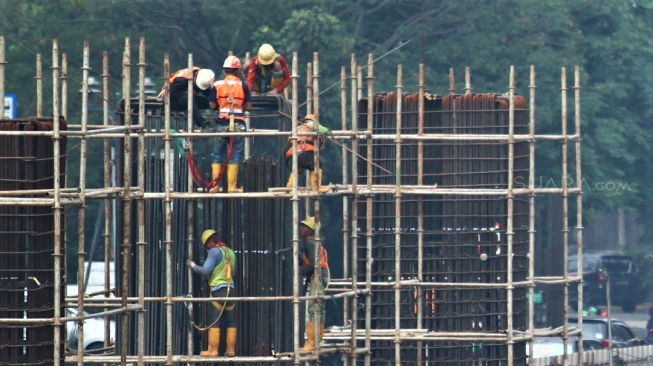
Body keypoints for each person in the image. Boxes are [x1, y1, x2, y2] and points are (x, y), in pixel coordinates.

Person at [187, 229, 237, 357]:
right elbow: (233, 273)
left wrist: (192, 265)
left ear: (209, 243)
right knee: (231, 321)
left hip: (218, 291)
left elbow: (205, 270)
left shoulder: (214, 251)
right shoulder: (230, 252)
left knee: (214, 320)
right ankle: (230, 350)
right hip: (231, 290)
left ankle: (213, 350)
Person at [208, 56, 252, 193]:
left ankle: (215, 186)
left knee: (217, 154)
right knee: (235, 154)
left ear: (225, 70)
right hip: (238, 122)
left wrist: (221, 107)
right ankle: (232, 187)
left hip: (222, 122)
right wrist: (240, 107)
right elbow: (249, 106)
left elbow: (211, 105)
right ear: (237, 71)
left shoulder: (217, 84)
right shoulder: (243, 85)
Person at [298, 216, 329, 352]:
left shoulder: (310, 243)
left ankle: (311, 343)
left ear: (309, 230)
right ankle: (317, 340)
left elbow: (313, 265)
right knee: (319, 309)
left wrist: (299, 270)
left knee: (313, 308)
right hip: (322, 276)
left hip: (318, 276)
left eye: (304, 227)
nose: (301, 228)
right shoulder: (315, 242)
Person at [285, 114, 331, 193]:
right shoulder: (312, 124)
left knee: (297, 168)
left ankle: (290, 185)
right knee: (317, 163)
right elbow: (325, 131)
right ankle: (316, 187)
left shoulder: (296, 129)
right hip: (305, 151)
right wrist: (328, 131)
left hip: (294, 154)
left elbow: (286, 147)